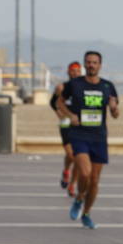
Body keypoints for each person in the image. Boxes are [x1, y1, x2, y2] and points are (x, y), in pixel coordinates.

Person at [60, 51, 121, 229]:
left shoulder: (108, 86)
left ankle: (86, 212)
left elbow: (116, 114)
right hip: (79, 135)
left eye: (95, 62)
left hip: (99, 137)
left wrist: (113, 108)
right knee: (84, 173)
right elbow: (59, 103)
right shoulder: (75, 84)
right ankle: (79, 198)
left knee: (94, 181)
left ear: (100, 65)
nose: (91, 65)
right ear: (84, 64)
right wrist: (70, 115)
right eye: (88, 62)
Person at [50, 62, 83, 193]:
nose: (75, 73)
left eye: (78, 71)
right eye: (73, 71)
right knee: (71, 155)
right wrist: (59, 113)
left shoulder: (83, 87)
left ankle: (72, 184)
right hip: (65, 123)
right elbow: (52, 102)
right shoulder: (61, 87)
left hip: (79, 124)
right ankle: (66, 171)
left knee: (78, 157)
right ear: (68, 72)